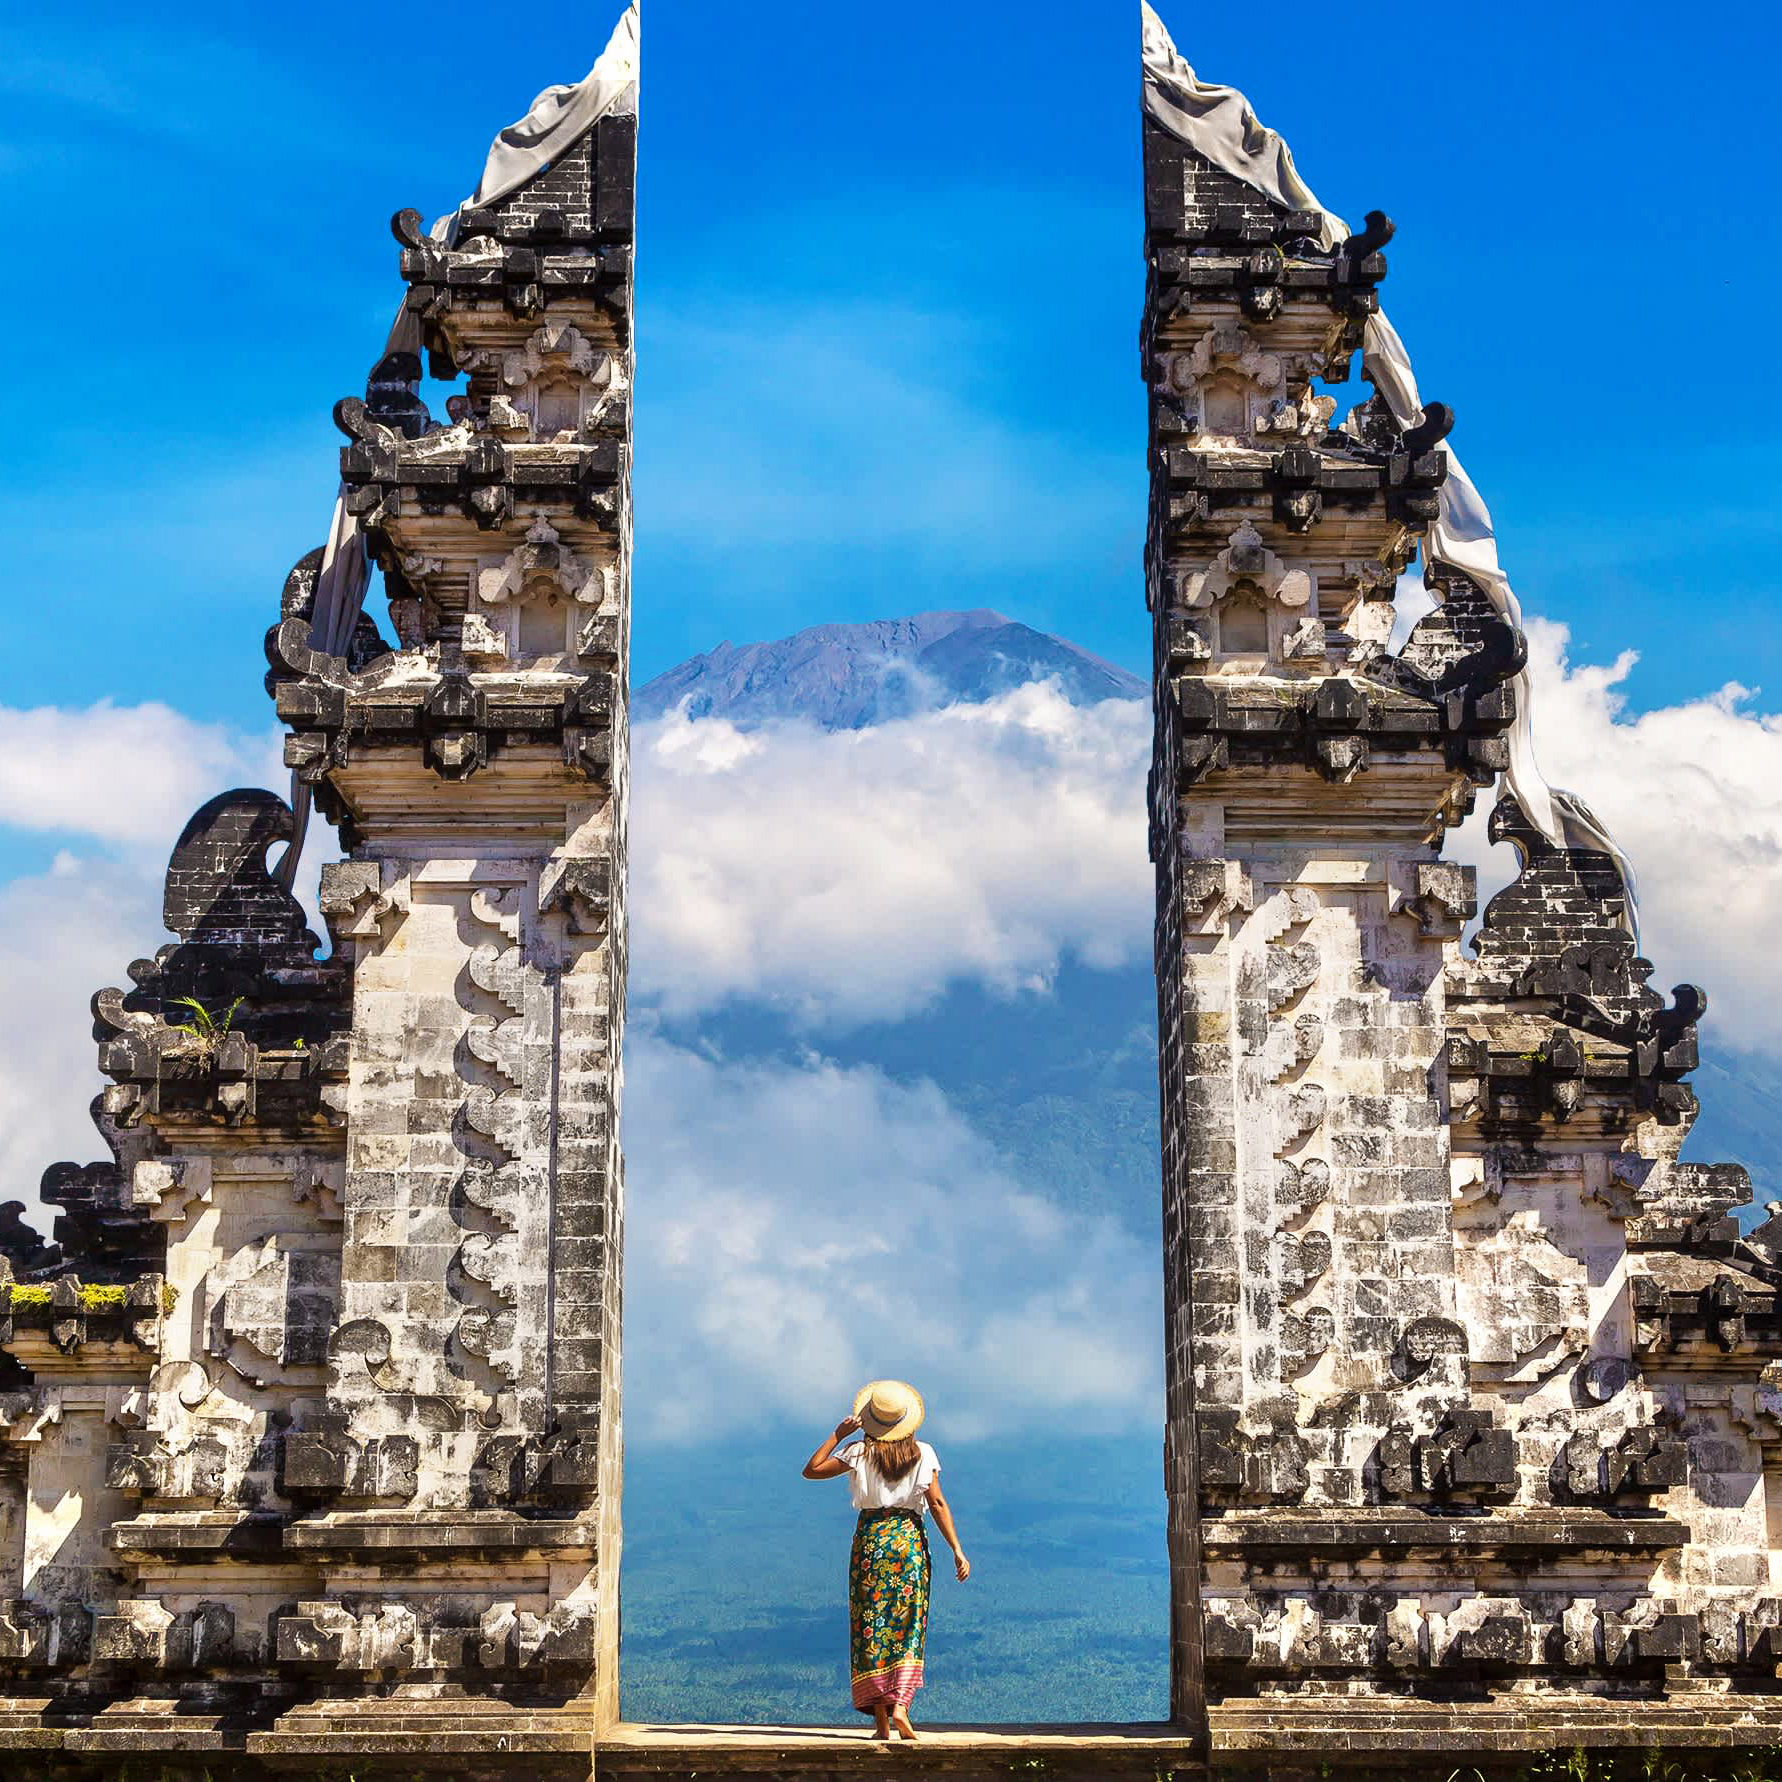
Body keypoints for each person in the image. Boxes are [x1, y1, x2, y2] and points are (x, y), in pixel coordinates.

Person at [802, 1379, 970, 1743]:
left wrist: (837, 1434)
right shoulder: (924, 1453)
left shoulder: (857, 1453)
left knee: (871, 1629)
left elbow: (811, 1470)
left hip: (871, 1545)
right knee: (908, 1625)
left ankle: (881, 1724)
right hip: (908, 1543)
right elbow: (937, 1504)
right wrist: (956, 1548)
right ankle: (901, 1708)